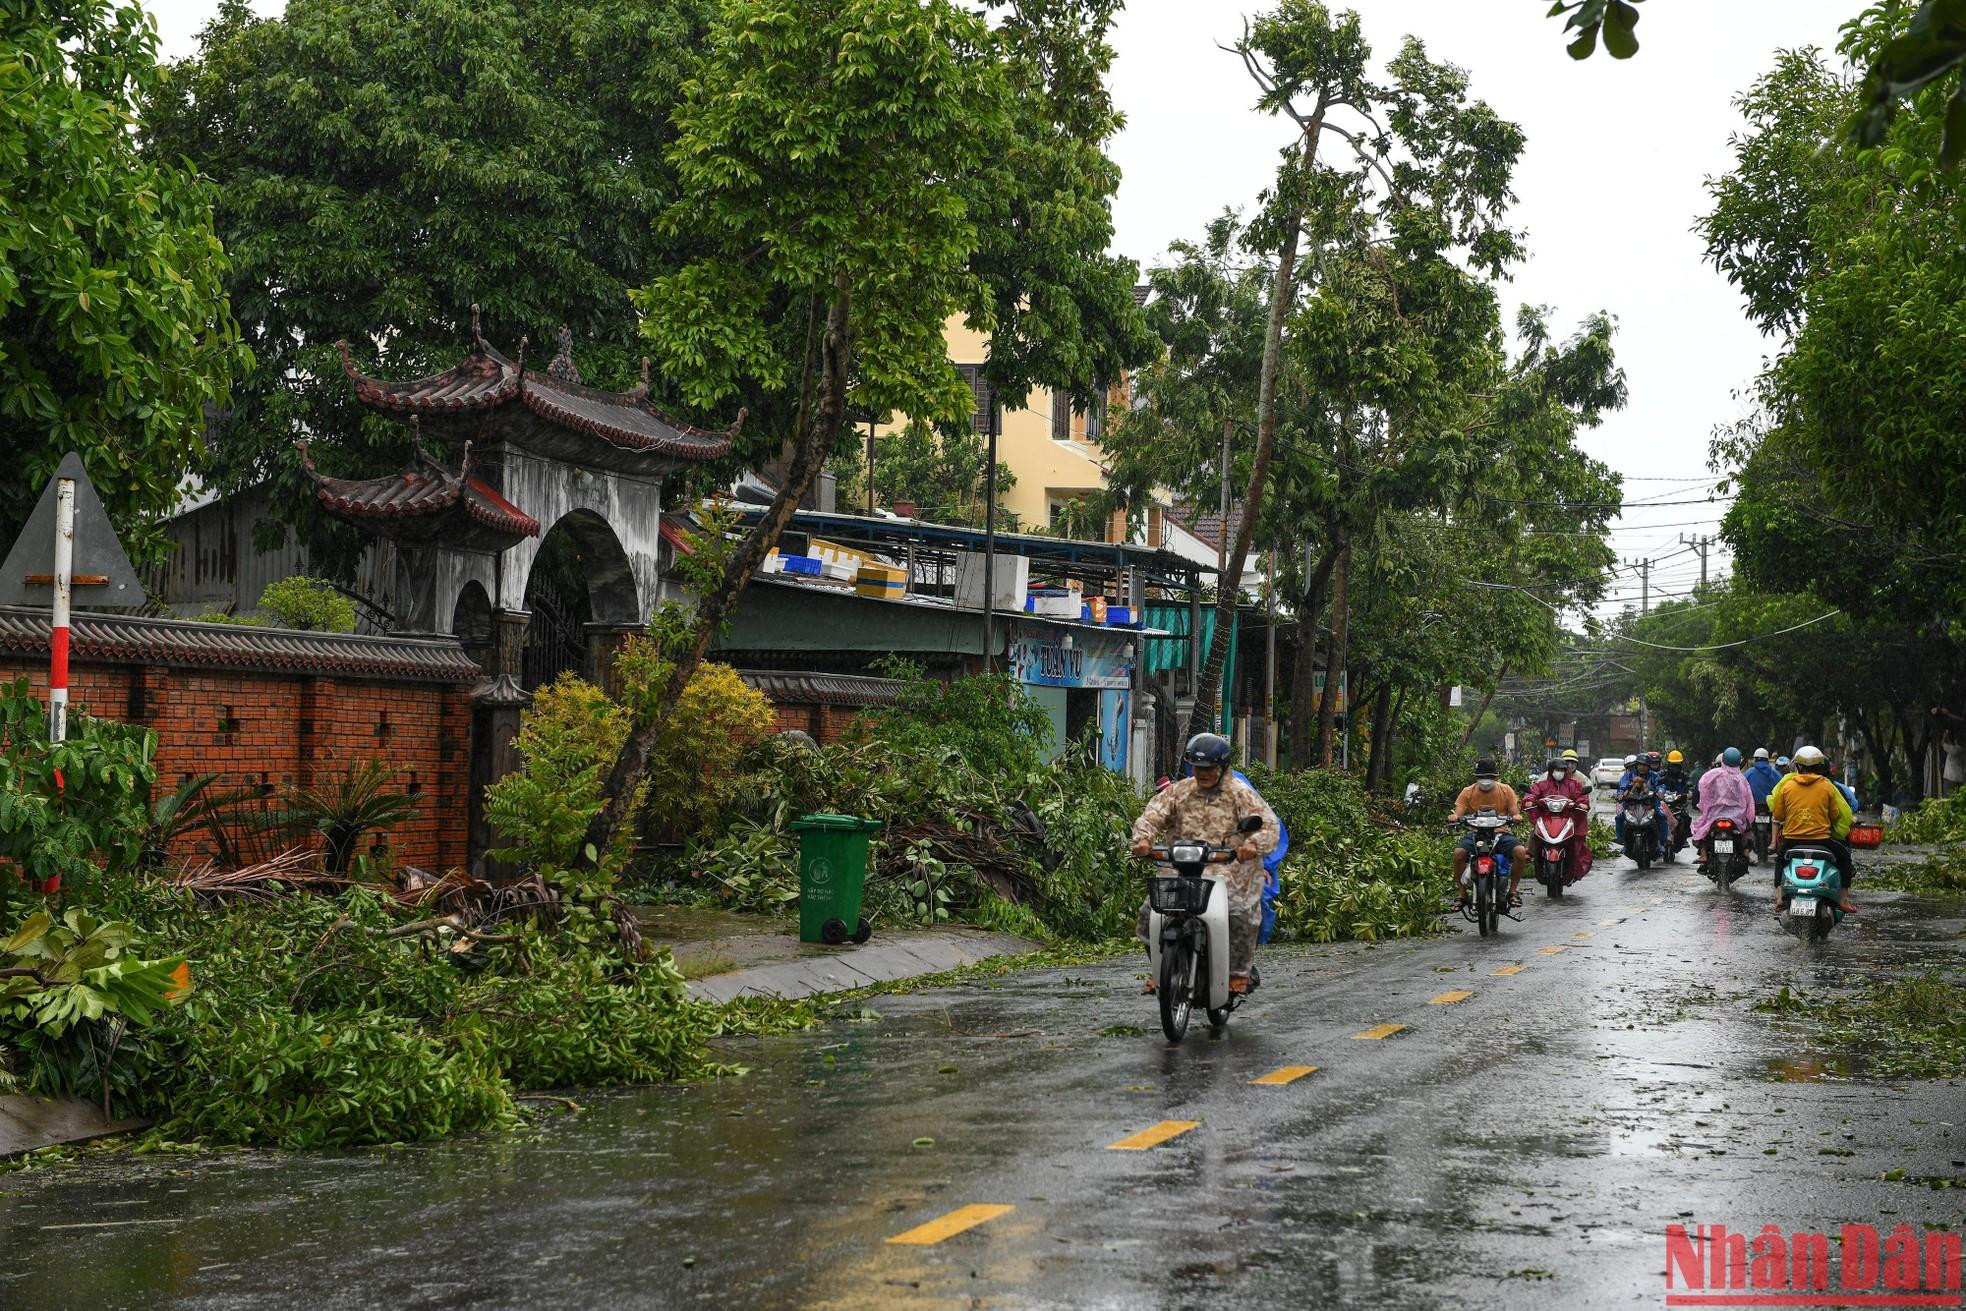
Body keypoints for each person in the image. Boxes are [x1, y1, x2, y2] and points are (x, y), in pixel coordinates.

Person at [1132, 733, 1280, 995]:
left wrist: (1252, 846)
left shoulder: (1240, 794)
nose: (1203, 773)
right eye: (1198, 768)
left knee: (1239, 912)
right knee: (1148, 914)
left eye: (1209, 768)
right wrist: (1143, 839)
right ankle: (1161, 970)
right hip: (1180, 866)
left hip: (1228, 869)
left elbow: (1268, 825)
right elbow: (1152, 815)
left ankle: (1237, 974)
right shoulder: (1179, 791)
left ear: (1221, 767)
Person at [1770, 744, 1855, 913]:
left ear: (1798, 766)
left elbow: (1778, 815)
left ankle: (1779, 898)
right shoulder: (1827, 786)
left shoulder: (1787, 787)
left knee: (1780, 860)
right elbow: (1835, 815)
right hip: (1822, 840)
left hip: (1792, 841)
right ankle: (1844, 900)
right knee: (1845, 860)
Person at [1449, 758, 1524, 908]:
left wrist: (1516, 817)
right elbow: (1458, 812)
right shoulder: (1467, 792)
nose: (1485, 781)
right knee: (1458, 854)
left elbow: (1515, 812)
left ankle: (1513, 892)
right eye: (1482, 777)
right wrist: (1454, 817)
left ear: (1495, 777)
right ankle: (1462, 894)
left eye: (1489, 777)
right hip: (1475, 834)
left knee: (1520, 852)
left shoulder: (1506, 790)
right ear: (1476, 778)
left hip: (1500, 834)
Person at [1524, 751, 1593, 883]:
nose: (1559, 772)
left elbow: (1581, 797)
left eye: (1562, 770)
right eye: (1557, 770)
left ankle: (1573, 868)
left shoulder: (1574, 784)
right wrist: (1529, 800)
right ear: (1551, 771)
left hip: (1568, 819)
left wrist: (1582, 804)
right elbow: (1533, 793)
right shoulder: (1542, 784)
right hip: (1546, 819)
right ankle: (1532, 854)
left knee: (1578, 844)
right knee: (1535, 833)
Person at [1692, 748, 1756, 873]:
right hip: (1736, 817)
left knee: (1702, 830)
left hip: (1714, 816)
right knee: (1748, 832)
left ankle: (1704, 854)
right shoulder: (1741, 779)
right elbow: (1749, 799)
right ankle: (1746, 853)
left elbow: (1702, 790)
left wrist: (1703, 807)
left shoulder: (1712, 775)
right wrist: (1749, 817)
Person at [1615, 755, 1672, 858]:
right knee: (1619, 816)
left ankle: (1662, 842)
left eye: (1645, 765)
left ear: (1648, 766)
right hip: (1631, 803)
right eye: (1640, 765)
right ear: (1636, 765)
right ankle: (1622, 841)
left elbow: (1660, 786)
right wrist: (1620, 794)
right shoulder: (1629, 775)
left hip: (1650, 803)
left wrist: (1660, 792)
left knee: (1662, 816)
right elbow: (1622, 786)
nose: (1642, 767)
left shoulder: (1654, 775)